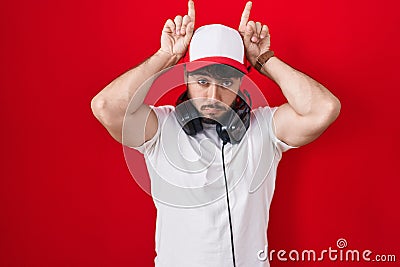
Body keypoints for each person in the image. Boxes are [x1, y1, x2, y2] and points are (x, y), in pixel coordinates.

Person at [91, 1, 341, 266]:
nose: (213, 96)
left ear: (241, 81)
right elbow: (106, 106)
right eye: (201, 82)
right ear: (184, 77)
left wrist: (263, 61)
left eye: (225, 82)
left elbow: (324, 109)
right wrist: (167, 56)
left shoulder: (265, 129)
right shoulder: (161, 128)